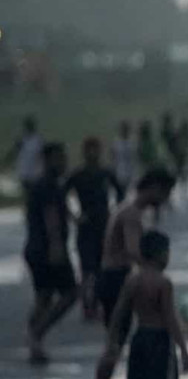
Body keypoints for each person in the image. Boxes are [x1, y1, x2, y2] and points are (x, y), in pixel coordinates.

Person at [85, 170, 176, 379]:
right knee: (114, 341)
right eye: (165, 192)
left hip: (111, 277)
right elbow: (135, 251)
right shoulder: (132, 215)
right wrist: (156, 275)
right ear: (154, 187)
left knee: (114, 339)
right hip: (116, 279)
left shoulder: (125, 209)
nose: (165, 198)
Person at [103, 231, 188, 379]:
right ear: (160, 255)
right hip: (160, 340)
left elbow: (120, 311)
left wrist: (112, 340)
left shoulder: (133, 280)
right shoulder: (163, 283)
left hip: (140, 338)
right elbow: (170, 318)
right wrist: (183, 349)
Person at [24, 143, 78, 365]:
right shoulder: (48, 185)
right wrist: (57, 247)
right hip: (47, 250)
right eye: (59, 158)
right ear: (47, 160)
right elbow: (51, 217)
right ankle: (37, 334)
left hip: (36, 250)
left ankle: (35, 343)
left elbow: (60, 210)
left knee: (43, 297)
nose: (64, 162)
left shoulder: (49, 185)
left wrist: (76, 219)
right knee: (71, 293)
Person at [65, 138, 124, 322]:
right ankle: (87, 304)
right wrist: (74, 216)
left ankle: (97, 302)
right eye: (89, 150)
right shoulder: (78, 175)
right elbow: (61, 196)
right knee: (86, 267)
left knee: (102, 267)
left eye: (95, 149)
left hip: (105, 225)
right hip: (86, 224)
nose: (92, 153)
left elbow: (121, 193)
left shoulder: (106, 173)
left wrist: (115, 214)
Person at [9, 116, 44, 198]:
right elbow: (14, 152)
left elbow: (42, 155)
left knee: (33, 194)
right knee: (28, 194)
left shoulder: (38, 140)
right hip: (25, 173)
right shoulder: (22, 140)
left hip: (35, 174)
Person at [110, 121, 137, 189]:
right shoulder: (116, 143)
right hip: (120, 171)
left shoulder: (132, 142)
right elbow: (113, 157)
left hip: (130, 171)